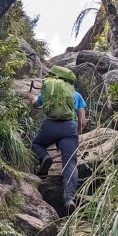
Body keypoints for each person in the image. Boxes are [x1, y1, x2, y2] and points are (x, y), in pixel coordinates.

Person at [31, 66, 87, 214]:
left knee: (36, 144)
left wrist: (33, 98)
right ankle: (69, 199)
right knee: (70, 163)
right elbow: (82, 122)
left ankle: (45, 157)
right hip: (69, 128)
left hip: (50, 126)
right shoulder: (76, 94)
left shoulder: (49, 90)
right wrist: (76, 134)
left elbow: (35, 104)